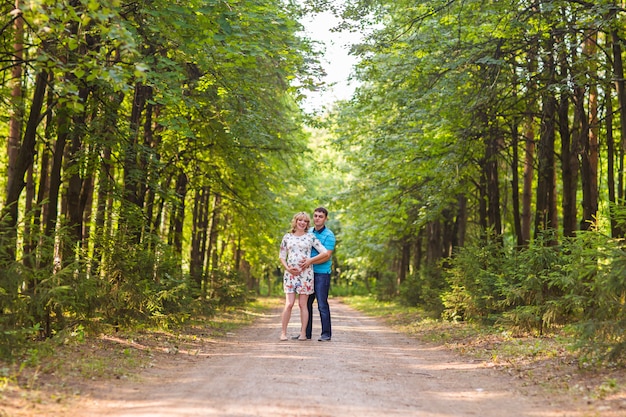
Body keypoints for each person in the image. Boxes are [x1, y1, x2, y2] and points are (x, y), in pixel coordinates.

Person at [279, 212, 328, 341]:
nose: (302, 223)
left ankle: (303, 333)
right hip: (290, 274)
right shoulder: (287, 237)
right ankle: (283, 332)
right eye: (300, 220)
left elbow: (324, 252)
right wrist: (288, 268)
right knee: (289, 304)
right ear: (295, 221)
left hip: (305, 275)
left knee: (303, 305)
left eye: (305, 221)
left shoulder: (310, 237)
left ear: (307, 224)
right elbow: (282, 256)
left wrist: (309, 260)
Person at [300, 207, 336, 342]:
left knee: (322, 304)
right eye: (315, 216)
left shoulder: (329, 235)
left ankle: (326, 333)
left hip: (322, 274)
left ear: (325, 218)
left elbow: (326, 256)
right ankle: (306, 333)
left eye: (320, 216)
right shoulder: (308, 232)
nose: (317, 218)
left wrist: (310, 261)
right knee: (306, 304)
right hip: (307, 273)